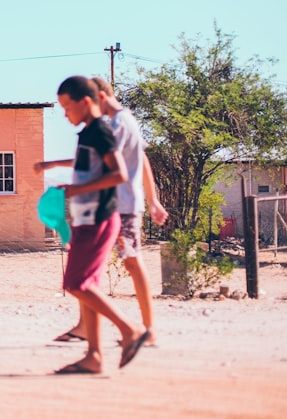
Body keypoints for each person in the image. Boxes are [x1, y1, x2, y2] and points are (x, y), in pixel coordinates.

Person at [34, 76, 149, 374]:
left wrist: (71, 191)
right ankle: (94, 356)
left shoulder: (100, 131)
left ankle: (129, 329)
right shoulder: (88, 133)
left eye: (67, 107)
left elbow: (118, 174)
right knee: (88, 287)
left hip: (99, 218)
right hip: (87, 218)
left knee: (76, 283)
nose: (64, 114)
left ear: (86, 102)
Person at [47, 77, 169, 347]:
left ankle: (146, 329)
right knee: (92, 268)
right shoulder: (122, 122)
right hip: (113, 203)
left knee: (132, 262)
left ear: (97, 97)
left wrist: (153, 200)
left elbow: (118, 162)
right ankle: (86, 328)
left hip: (120, 204)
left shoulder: (117, 123)